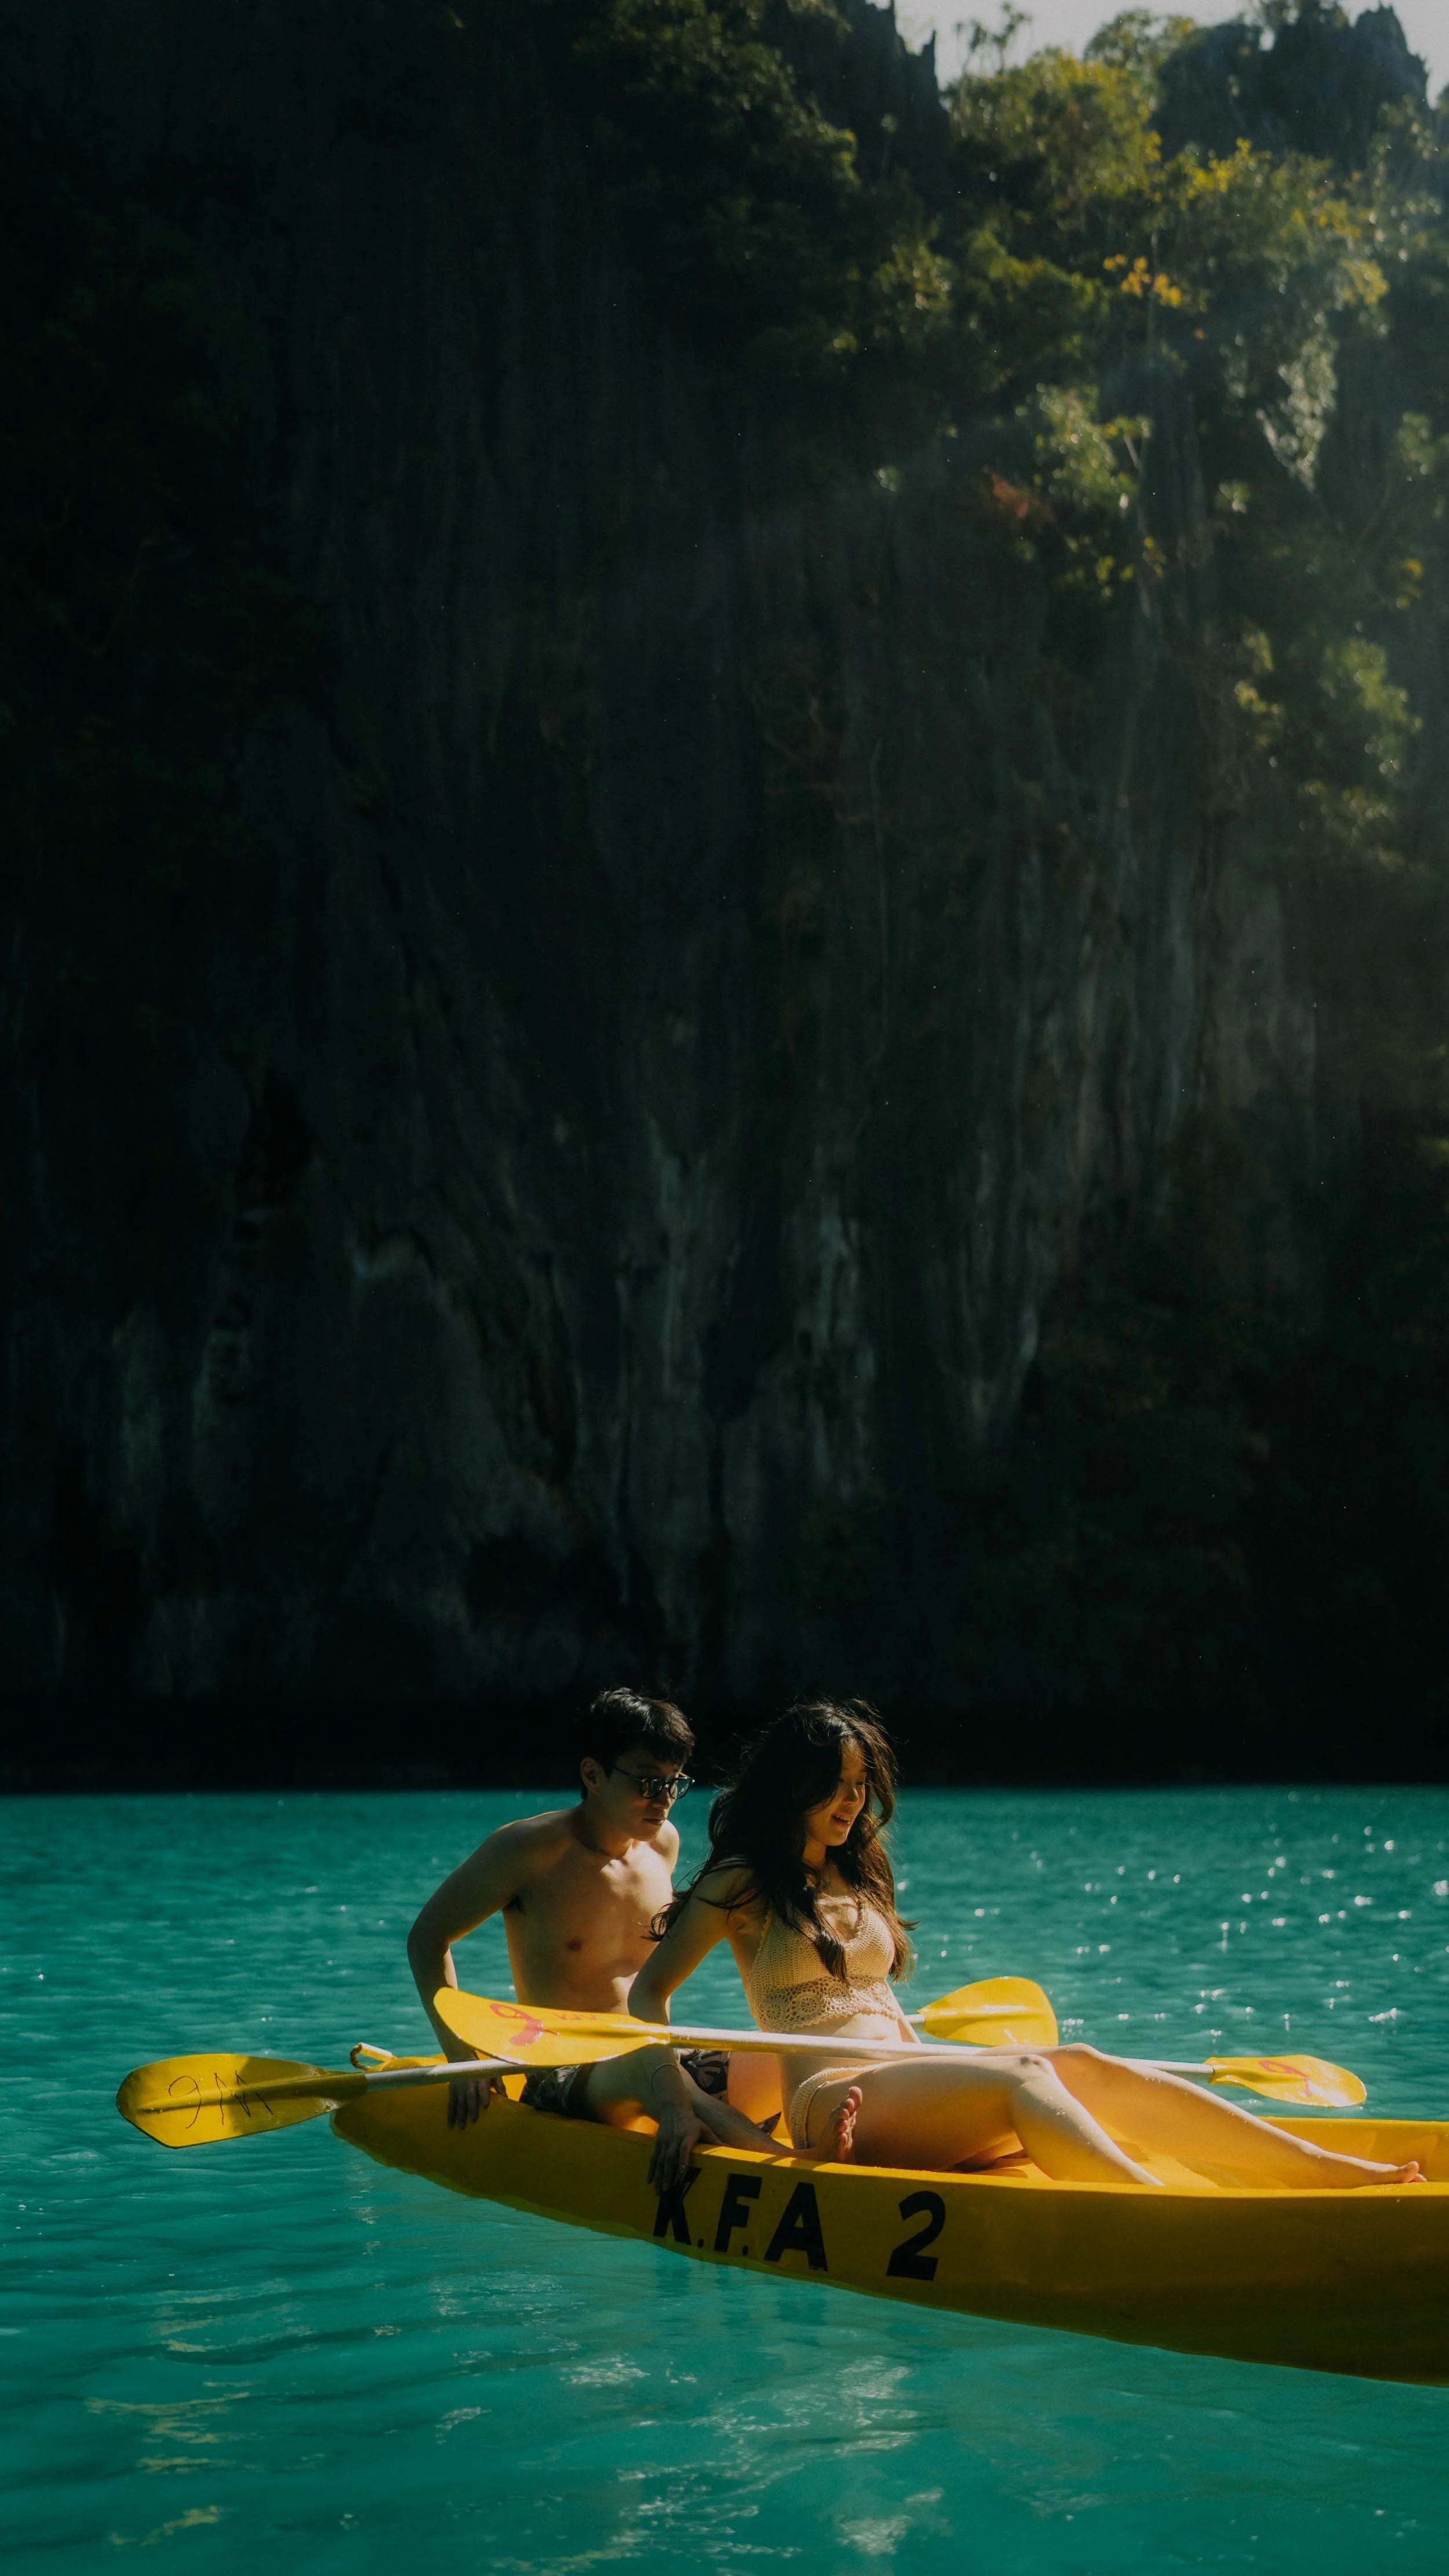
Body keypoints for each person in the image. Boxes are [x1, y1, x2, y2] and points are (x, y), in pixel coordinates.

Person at [628, 1698, 1423, 2193]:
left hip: (903, 2081)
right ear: (793, 1787)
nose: (852, 1801)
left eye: (861, 1785)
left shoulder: (860, 1875)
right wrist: (691, 2110)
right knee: (1027, 2073)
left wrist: (938, 2066)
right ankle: (1156, 2210)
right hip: (833, 2101)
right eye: (836, 1785)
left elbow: (880, 2002)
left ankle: (1328, 2173)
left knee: (1079, 2061)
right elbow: (647, 1996)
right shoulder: (742, 1881)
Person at [407, 1686, 776, 2155]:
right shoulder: (529, 1850)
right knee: (651, 2068)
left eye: (675, 1783)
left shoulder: (664, 1845)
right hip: (560, 2069)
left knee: (783, 2058)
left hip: (654, 2060)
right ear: (594, 1774)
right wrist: (463, 2058)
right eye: (648, 1783)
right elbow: (427, 1938)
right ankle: (791, 2165)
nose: (663, 1801)